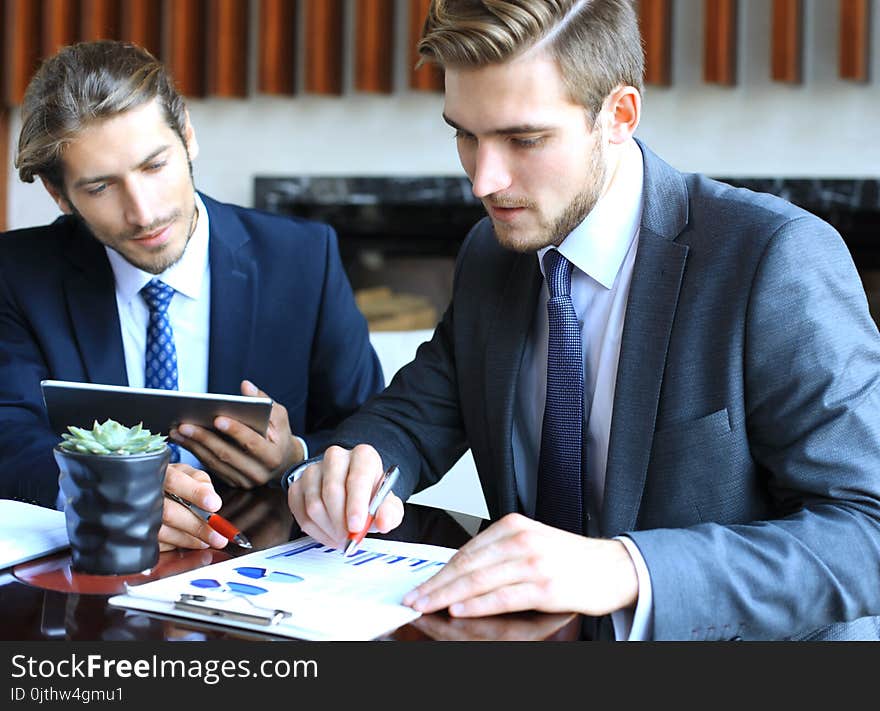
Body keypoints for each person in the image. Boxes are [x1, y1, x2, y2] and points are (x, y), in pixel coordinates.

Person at [285, 0, 880, 640]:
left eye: (524, 139)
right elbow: (417, 414)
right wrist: (359, 465)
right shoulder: (491, 252)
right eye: (464, 134)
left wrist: (625, 569)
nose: (484, 180)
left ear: (619, 115)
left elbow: (865, 531)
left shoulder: (774, 257)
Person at [0, 40, 384, 551]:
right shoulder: (18, 272)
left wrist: (296, 458)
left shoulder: (304, 257)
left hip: (263, 565)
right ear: (58, 195)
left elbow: (368, 425)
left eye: (154, 166)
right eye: (99, 188)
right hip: (99, 569)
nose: (144, 213)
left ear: (187, 135)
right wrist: (100, 488)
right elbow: (8, 434)